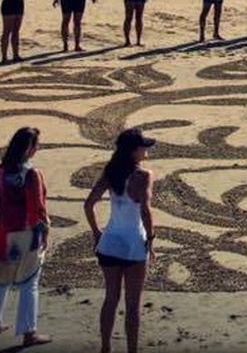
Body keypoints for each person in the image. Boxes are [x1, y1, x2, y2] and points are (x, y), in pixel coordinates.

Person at [83, 128, 156, 353]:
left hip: (111, 241)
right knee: (132, 305)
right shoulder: (143, 176)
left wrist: (97, 232)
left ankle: (106, 347)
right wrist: (150, 241)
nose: (146, 150)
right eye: (143, 146)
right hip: (134, 244)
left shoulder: (111, 172)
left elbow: (89, 204)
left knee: (110, 298)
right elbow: (145, 211)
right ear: (134, 151)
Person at [0, 125, 51, 346]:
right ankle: (28, 332)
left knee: (0, 278)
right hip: (26, 232)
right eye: (35, 146)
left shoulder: (2, 170)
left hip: (4, 229)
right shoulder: (31, 174)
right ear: (29, 148)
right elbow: (37, 208)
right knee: (29, 282)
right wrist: (44, 232)